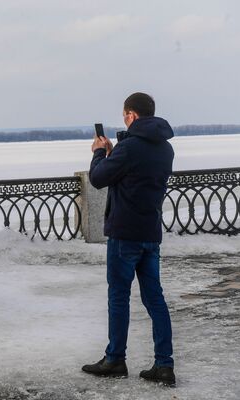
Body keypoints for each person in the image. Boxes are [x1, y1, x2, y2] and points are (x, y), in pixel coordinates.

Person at [81, 93, 176, 385]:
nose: (124, 119)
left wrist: (99, 152)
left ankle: (115, 359)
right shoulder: (166, 149)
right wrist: (115, 152)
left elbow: (98, 178)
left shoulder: (130, 147)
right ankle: (164, 365)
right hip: (150, 232)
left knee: (119, 297)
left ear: (131, 115)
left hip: (124, 234)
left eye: (125, 114)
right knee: (155, 299)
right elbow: (132, 175)